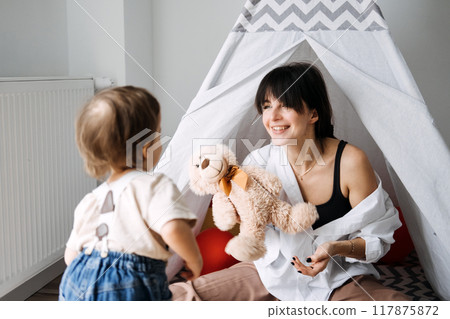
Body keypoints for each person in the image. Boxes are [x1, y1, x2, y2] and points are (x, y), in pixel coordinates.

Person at [170, 63, 410, 301]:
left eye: (285, 106)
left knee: (394, 307)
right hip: (269, 273)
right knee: (182, 296)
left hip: (338, 277)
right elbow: (245, 215)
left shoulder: (350, 162)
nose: (272, 117)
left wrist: (335, 248)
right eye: (266, 106)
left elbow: (377, 238)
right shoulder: (259, 161)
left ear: (313, 114)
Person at [59, 86, 202, 301]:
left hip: (76, 279)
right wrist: (194, 260)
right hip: (129, 282)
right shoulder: (154, 185)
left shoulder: (91, 200)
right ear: (147, 149)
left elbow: (70, 256)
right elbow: (172, 228)